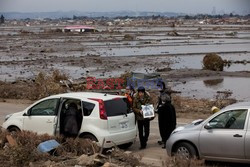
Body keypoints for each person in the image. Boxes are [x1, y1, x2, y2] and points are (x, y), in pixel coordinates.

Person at [156, 81, 176, 149]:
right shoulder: (161, 93)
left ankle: (167, 142)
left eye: (160, 86)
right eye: (158, 86)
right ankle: (163, 139)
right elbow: (159, 103)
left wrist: (161, 106)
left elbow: (166, 103)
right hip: (161, 112)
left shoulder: (166, 93)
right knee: (161, 127)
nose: (159, 88)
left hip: (167, 112)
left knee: (167, 128)